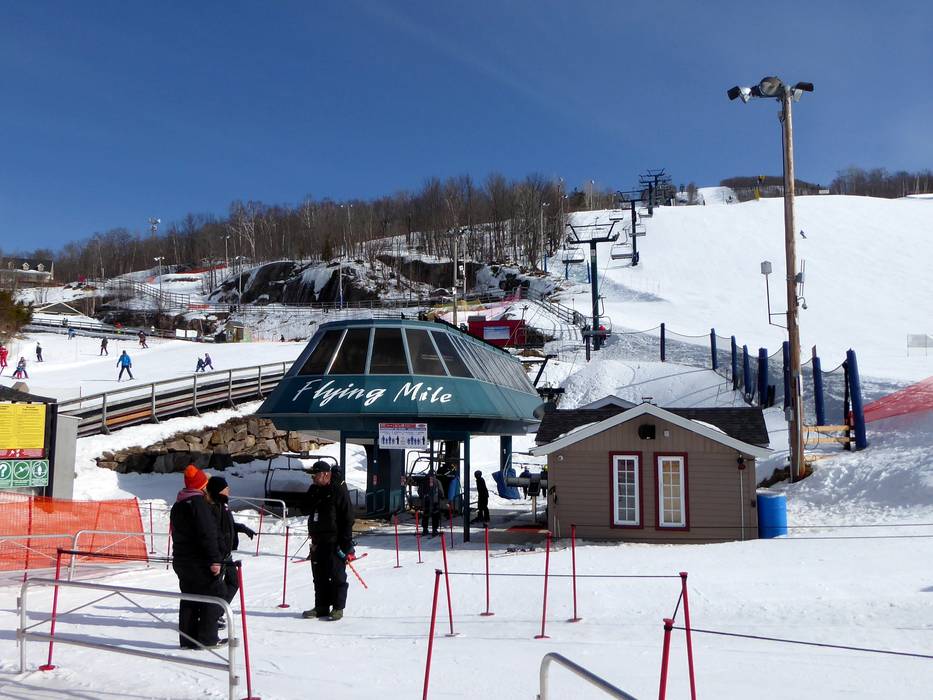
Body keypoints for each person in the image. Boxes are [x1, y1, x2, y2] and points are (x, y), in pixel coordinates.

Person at [170, 465, 226, 649]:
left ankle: (188, 640)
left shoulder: (178, 504)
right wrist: (215, 559)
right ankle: (208, 638)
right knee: (213, 595)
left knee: (189, 598)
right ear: (202, 485)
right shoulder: (199, 503)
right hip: (199, 560)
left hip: (182, 559)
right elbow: (207, 533)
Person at [301, 461, 355, 621]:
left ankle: (338, 607)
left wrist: (345, 544)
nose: (313, 478)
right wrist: (312, 495)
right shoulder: (315, 490)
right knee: (319, 576)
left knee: (337, 576)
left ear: (326, 474)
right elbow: (304, 509)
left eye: (315, 475)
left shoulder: (338, 490)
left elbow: (348, 518)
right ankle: (321, 606)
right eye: (312, 475)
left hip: (335, 540)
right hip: (318, 540)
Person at [205, 476, 255, 626]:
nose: (229, 490)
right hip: (218, 554)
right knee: (216, 587)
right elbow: (214, 531)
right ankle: (210, 617)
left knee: (233, 582)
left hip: (226, 553)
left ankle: (217, 612)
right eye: (226, 488)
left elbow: (229, 525)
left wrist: (242, 528)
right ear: (219, 490)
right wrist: (217, 553)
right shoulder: (213, 507)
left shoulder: (224, 505)